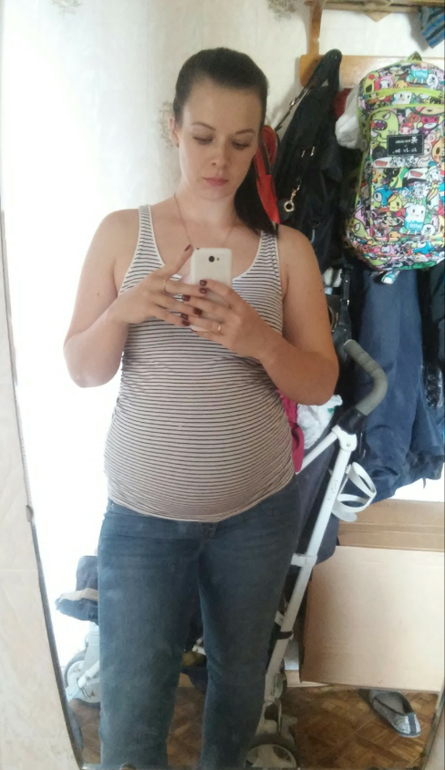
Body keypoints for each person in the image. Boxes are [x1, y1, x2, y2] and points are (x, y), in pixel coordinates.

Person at [63, 47, 338, 770]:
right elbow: (83, 370)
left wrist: (259, 341)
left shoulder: (287, 252)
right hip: (141, 521)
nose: (220, 159)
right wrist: (123, 310)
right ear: (173, 128)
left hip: (257, 515)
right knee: (131, 712)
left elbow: (318, 382)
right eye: (203, 136)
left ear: (260, 145)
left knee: (240, 683)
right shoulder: (122, 235)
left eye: (241, 143)